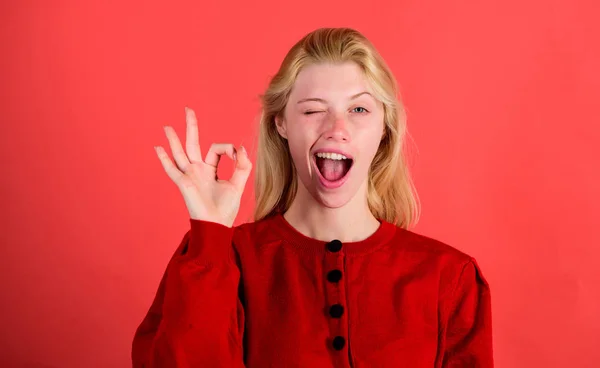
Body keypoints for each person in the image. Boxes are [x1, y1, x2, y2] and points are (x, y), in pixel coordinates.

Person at [132, 27, 493, 367]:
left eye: (359, 109)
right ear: (281, 124)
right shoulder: (217, 260)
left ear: (385, 128)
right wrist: (210, 234)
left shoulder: (449, 277)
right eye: (313, 110)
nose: (337, 129)